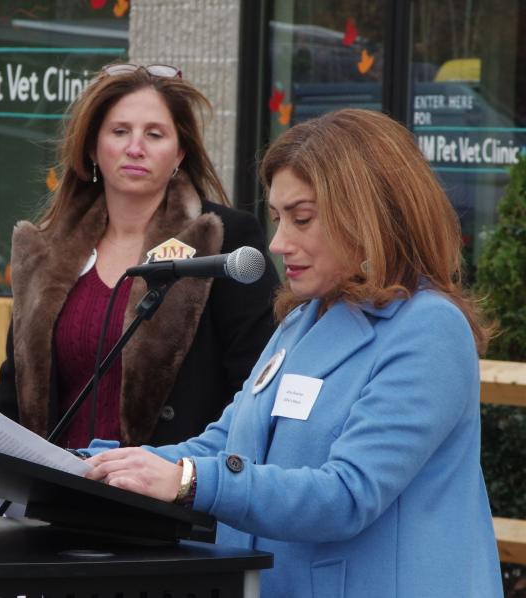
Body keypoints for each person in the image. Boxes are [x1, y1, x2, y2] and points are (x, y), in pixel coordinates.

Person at [83, 108, 503, 597]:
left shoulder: (429, 329)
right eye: (279, 218)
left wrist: (189, 481)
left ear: (368, 216)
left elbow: (347, 493)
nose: (279, 243)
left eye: (301, 218)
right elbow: (224, 444)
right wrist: (96, 467)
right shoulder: (302, 321)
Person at [0, 64, 279, 451]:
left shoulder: (225, 239)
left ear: (180, 152)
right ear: (92, 147)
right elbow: (15, 392)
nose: (135, 147)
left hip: (170, 495)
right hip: (53, 497)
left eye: (154, 134)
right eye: (120, 131)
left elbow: (256, 384)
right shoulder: (43, 250)